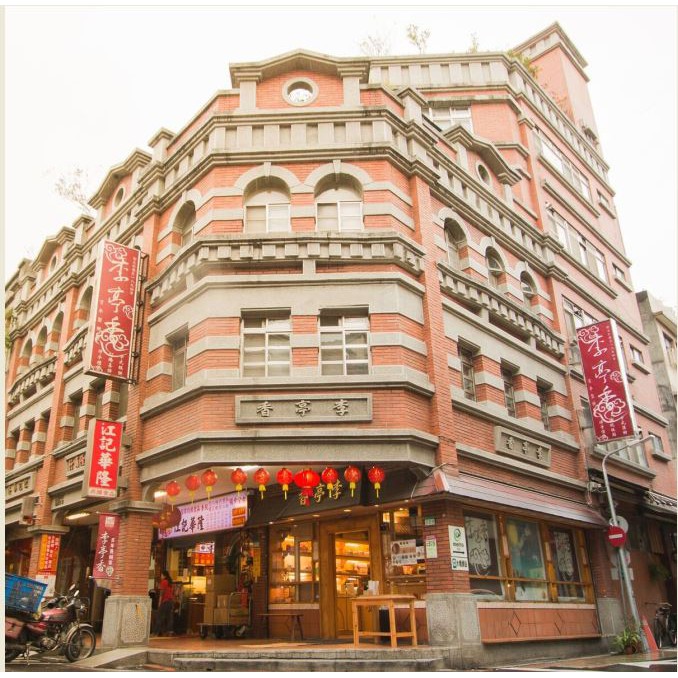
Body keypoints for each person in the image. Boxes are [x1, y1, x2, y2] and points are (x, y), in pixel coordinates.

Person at [154, 570, 174, 636]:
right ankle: (169, 631)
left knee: (159, 617)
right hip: (170, 602)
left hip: (165, 601)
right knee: (169, 617)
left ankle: (156, 632)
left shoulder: (164, 582)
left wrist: (159, 602)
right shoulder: (170, 582)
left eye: (161, 575)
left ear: (164, 575)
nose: (161, 576)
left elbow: (161, 593)